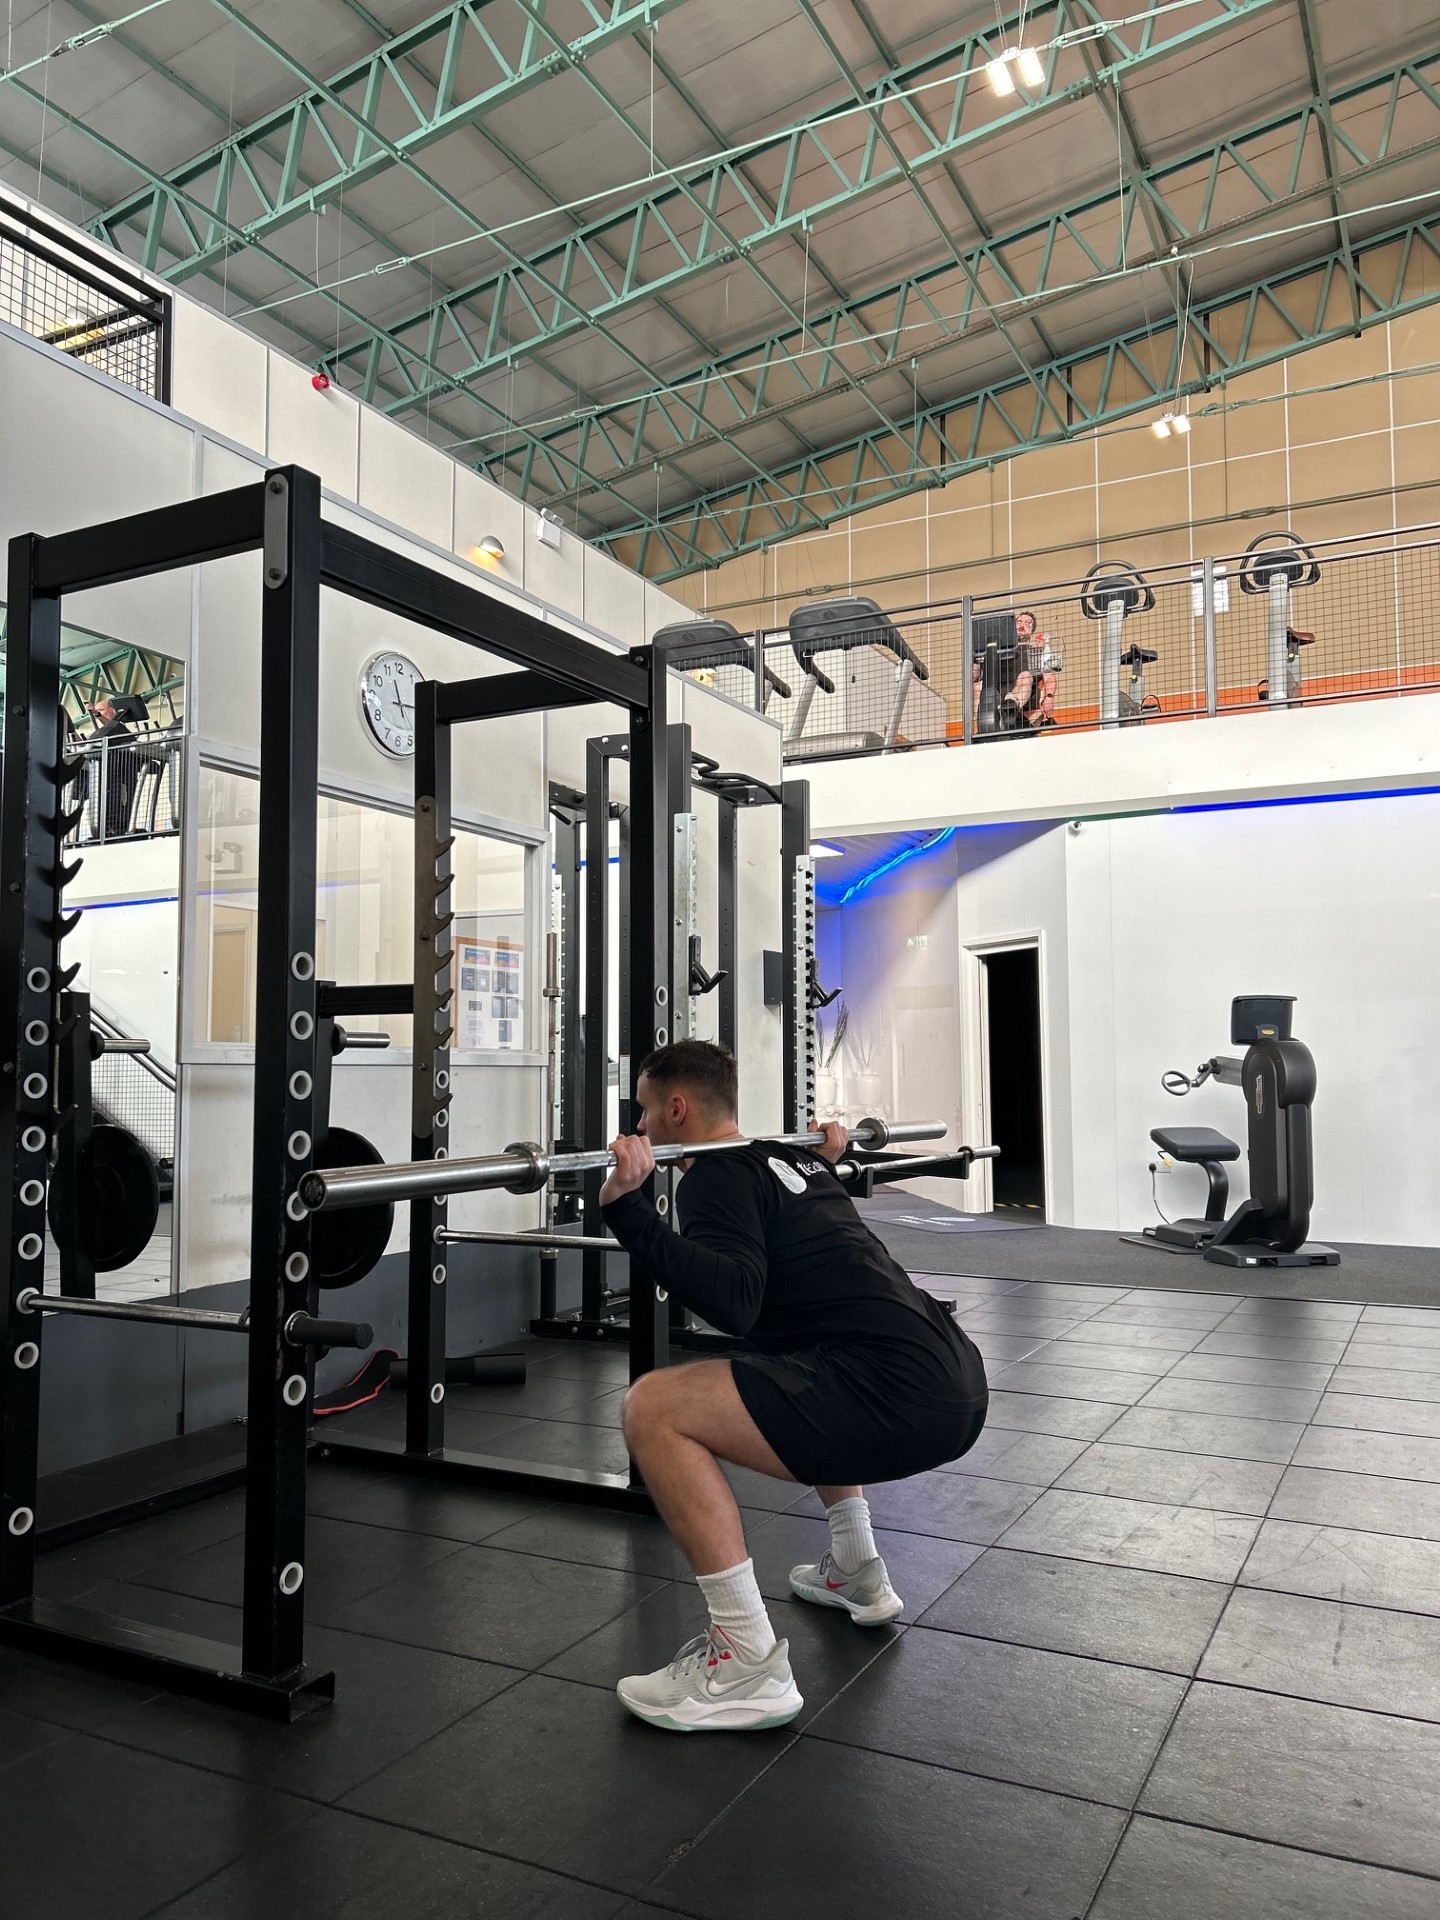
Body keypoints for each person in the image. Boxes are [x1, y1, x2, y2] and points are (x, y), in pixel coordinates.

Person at [598, 1040, 988, 1732]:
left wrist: (627, 1210)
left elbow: (734, 1302)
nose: (640, 1125)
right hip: (953, 1378)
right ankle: (855, 1568)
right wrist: (825, 1160)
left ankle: (746, 1660)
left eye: (646, 1111)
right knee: (806, 1356)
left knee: (652, 1408)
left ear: (677, 1109)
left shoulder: (715, 1177)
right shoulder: (793, 1162)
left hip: (897, 1396)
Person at [85, 695, 141, 838]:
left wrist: (96, 714)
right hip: (104, 777)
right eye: (97, 711)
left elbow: (113, 726)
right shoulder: (100, 733)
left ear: (112, 710)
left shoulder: (119, 729)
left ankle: (118, 829)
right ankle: (103, 830)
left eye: (101, 710)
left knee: (118, 803)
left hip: (121, 776)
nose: (98, 713)